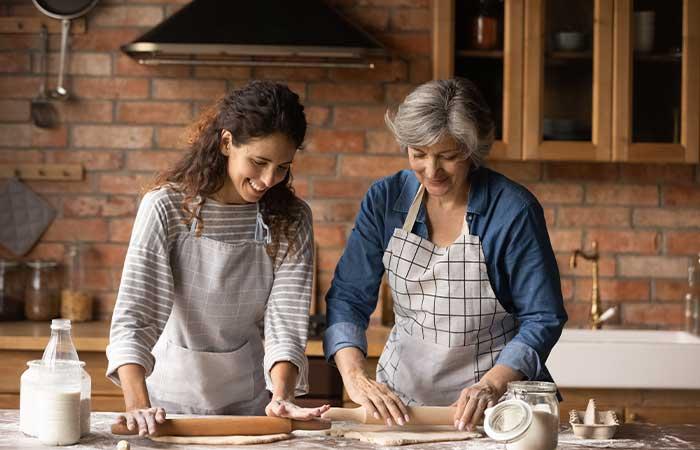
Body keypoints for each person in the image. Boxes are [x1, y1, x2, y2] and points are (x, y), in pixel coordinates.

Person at [323, 78, 567, 431]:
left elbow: (543, 317)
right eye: (418, 154)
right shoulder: (385, 200)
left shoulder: (514, 211)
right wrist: (354, 377)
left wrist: (491, 385)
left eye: (448, 156)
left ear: (472, 150)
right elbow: (348, 298)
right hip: (400, 408)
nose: (431, 170)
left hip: (494, 409)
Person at [107, 80, 328, 436]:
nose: (269, 180)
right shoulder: (167, 207)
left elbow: (285, 319)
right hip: (166, 411)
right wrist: (137, 406)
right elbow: (135, 316)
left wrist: (283, 394)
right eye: (258, 162)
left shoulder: (292, 218)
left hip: (252, 411)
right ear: (227, 143)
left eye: (283, 166)